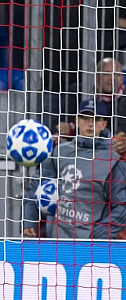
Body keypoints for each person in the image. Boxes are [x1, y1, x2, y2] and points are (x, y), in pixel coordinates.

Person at [23, 99, 126, 240]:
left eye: (96, 119)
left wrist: (94, 236)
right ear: (77, 121)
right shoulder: (59, 152)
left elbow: (121, 208)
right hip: (56, 240)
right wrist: (29, 221)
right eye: (85, 118)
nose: (90, 124)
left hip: (91, 247)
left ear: (104, 125)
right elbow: (36, 187)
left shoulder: (113, 161)